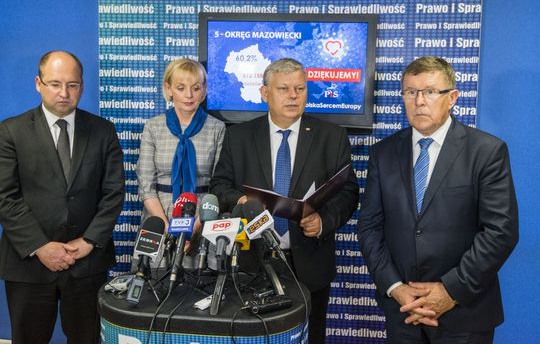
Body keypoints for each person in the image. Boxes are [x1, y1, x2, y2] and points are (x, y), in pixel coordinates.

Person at [357, 56, 518, 343]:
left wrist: (450, 290)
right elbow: (369, 227)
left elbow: (500, 232)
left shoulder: (486, 151)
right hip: (403, 313)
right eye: (410, 92)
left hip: (464, 314)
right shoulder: (383, 153)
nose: (419, 101)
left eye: (430, 91)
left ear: (452, 98)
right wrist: (395, 287)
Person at [210, 58, 358, 343]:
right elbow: (219, 186)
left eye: (300, 89)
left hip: (310, 264)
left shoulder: (332, 136)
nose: (293, 96)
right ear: (265, 93)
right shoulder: (238, 136)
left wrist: (324, 221)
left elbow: (348, 192)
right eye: (284, 89)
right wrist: (242, 201)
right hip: (252, 262)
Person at [0, 51, 125, 344]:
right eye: (55, 84)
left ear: (82, 86)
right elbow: (5, 196)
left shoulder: (103, 131)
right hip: (29, 263)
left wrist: (89, 241)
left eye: (73, 85)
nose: (64, 93)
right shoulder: (10, 131)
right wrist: (41, 247)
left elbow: (113, 193)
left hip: (87, 263)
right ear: (38, 83)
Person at [136, 58, 225, 226]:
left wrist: (195, 228)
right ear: (168, 89)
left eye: (196, 88)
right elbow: (146, 185)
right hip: (158, 216)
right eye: (181, 88)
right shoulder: (153, 126)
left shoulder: (217, 128)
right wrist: (164, 226)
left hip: (202, 218)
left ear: (204, 90)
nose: (189, 95)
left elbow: (219, 186)